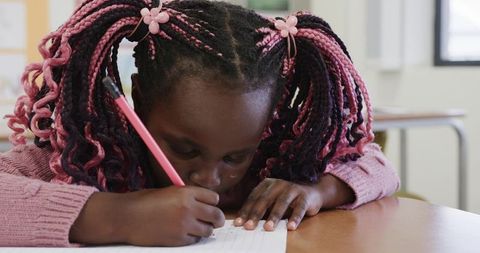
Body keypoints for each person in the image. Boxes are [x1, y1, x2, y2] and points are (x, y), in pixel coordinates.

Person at [0, 0, 399, 247]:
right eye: (185, 149)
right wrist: (116, 215)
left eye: (236, 157)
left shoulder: (278, 157)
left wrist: (317, 191)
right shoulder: (91, 156)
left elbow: (379, 166)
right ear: (137, 99)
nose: (209, 177)